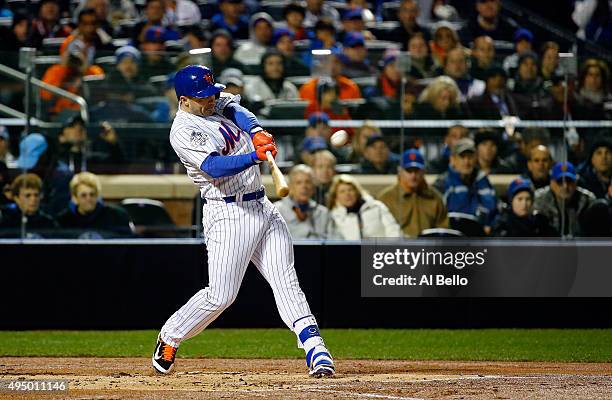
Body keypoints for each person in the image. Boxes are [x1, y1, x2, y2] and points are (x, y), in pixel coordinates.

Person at [152, 65, 336, 378]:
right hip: (228, 214)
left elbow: (237, 109)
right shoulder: (182, 130)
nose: (210, 100)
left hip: (261, 203)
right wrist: (254, 156)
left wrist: (256, 132)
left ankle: (315, 348)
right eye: (202, 97)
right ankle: (170, 336)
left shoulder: (213, 101)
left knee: (285, 279)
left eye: (211, 93)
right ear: (184, 100)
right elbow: (214, 166)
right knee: (221, 296)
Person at [378, 149, 449, 237]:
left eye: (417, 170)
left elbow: (443, 230)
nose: (413, 175)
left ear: (423, 172)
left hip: (428, 249)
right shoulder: (386, 198)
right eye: (409, 171)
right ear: (400, 172)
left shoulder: (435, 198)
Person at [433, 138, 497, 232]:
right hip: (452, 237)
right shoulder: (442, 183)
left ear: (475, 158)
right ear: (453, 159)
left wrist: (490, 224)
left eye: (470, 157)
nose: (467, 162)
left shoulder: (483, 180)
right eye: (462, 157)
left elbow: (494, 208)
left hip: (481, 236)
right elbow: (434, 216)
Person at [56, 172, 134, 238]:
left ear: (97, 196)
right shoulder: (63, 221)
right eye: (83, 195)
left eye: (92, 194)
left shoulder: (116, 216)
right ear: (75, 198)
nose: (88, 199)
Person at [533, 161, 597, 237]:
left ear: (576, 182)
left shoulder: (588, 200)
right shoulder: (539, 199)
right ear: (551, 183)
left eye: (569, 181)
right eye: (560, 182)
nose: (565, 186)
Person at [274, 164, 337, 240]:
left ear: (313, 187)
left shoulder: (323, 213)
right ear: (290, 187)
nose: (304, 187)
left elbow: (336, 242)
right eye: (298, 183)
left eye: (308, 182)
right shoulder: (276, 211)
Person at [327, 174, 401, 239]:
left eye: (350, 190)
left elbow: (393, 229)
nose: (347, 194)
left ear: (357, 191)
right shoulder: (333, 217)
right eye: (342, 191)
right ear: (336, 197)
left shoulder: (376, 207)